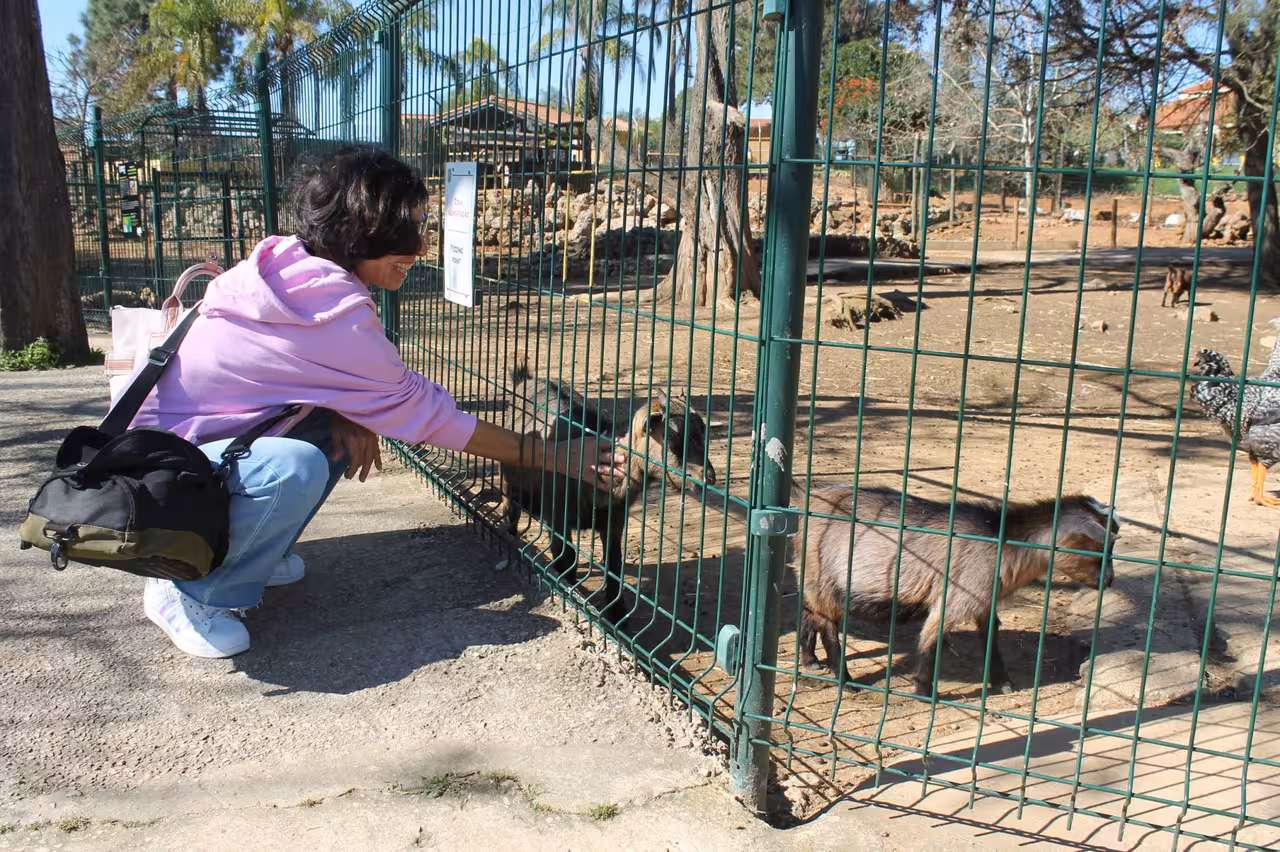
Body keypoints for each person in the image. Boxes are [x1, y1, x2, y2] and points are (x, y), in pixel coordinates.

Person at [130, 145, 623, 659]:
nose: (423, 245)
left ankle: (248, 553)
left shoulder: (291, 267)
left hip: (177, 457)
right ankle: (185, 588)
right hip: (159, 487)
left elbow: (313, 377)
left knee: (337, 432)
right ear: (363, 229)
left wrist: (350, 409)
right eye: (410, 227)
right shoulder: (333, 314)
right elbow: (431, 417)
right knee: (293, 464)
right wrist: (550, 454)